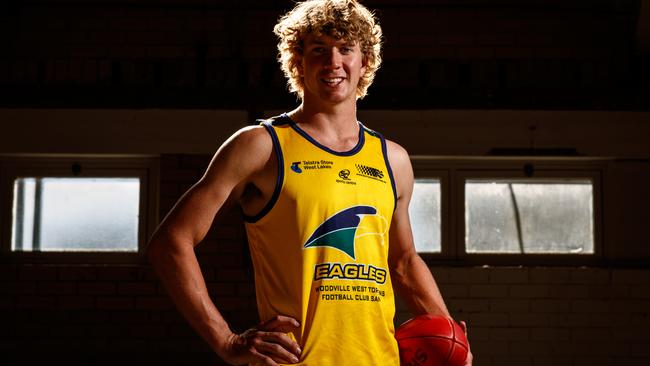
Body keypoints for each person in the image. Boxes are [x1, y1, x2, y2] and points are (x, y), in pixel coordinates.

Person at [147, 0, 473, 365]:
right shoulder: (261, 146)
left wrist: (450, 334)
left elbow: (403, 260)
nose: (333, 62)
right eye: (319, 49)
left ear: (364, 62)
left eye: (346, 49)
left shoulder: (392, 159)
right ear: (298, 61)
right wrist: (226, 340)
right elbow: (171, 242)